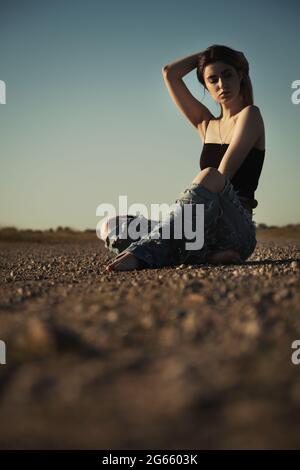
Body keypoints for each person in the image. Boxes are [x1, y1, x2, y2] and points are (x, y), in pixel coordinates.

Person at [102, 44, 265, 271]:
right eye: (212, 79)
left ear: (240, 75)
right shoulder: (206, 124)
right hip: (201, 230)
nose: (221, 84)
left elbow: (221, 179)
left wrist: (222, 55)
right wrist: (206, 55)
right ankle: (204, 255)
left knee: (211, 175)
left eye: (227, 75)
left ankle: (144, 252)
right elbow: (170, 73)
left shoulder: (250, 115)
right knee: (111, 224)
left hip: (237, 233)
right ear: (206, 86)